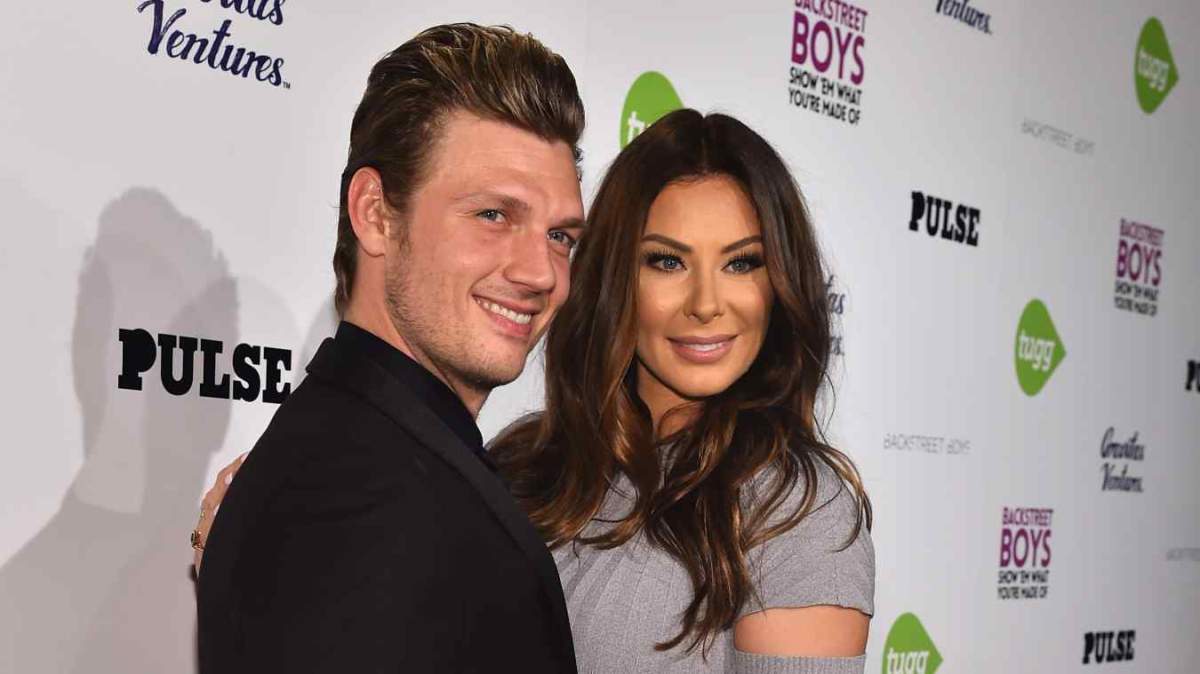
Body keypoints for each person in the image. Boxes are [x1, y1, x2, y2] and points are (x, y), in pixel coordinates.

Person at [199, 108, 875, 672]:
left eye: (742, 263)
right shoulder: (526, 465)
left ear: (779, 282)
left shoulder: (795, 510)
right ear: (614, 277)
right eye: (667, 261)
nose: (706, 304)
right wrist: (270, 545)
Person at [194, 23, 586, 674]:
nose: (541, 272)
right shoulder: (364, 505)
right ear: (375, 213)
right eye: (493, 215)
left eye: (561, 236)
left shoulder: (371, 458)